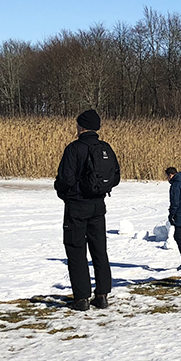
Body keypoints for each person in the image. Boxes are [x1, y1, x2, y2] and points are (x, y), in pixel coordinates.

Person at [54, 109, 115, 311]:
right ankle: (102, 294)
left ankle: (81, 299)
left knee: (76, 250)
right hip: (98, 206)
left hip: (77, 207)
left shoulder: (74, 149)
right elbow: (115, 177)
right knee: (99, 250)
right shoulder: (105, 148)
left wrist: (64, 192)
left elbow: (65, 180)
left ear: (81, 127)